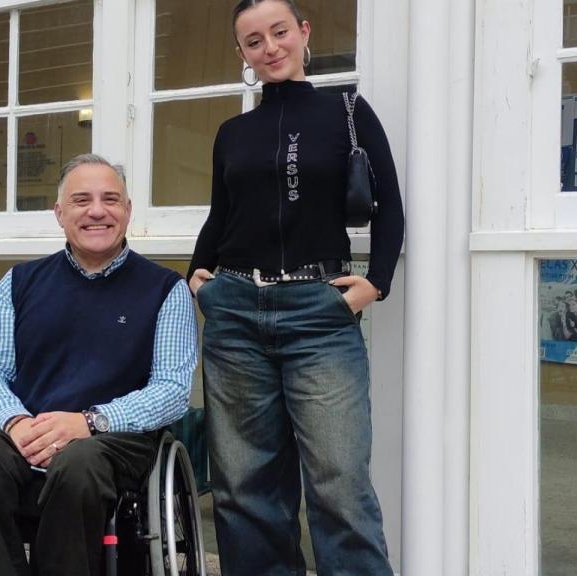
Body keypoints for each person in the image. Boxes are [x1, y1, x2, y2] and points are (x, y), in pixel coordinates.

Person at [187, 2, 404, 574]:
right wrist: (197, 276)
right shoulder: (233, 132)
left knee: (339, 483)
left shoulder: (348, 111)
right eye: (254, 41)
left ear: (304, 33)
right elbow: (221, 215)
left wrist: (376, 283)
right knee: (243, 486)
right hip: (235, 312)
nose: (270, 47)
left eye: (280, 32)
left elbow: (390, 205)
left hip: (319, 312)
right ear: (242, 54)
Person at [0, 154, 198, 576]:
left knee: (78, 464)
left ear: (128, 210)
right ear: (59, 213)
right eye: (82, 200)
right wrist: (15, 423)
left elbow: (172, 390)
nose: (97, 211)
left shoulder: (165, 290)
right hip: (28, 429)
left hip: (114, 441)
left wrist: (89, 422)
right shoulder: (19, 283)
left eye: (110, 200)